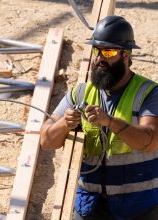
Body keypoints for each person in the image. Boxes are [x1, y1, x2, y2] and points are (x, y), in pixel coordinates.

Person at [40, 15, 158, 220]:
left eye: (109, 51)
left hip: (139, 206)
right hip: (90, 203)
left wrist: (109, 121)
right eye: (97, 50)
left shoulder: (148, 93)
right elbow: (46, 140)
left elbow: (149, 141)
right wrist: (63, 124)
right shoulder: (80, 93)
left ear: (125, 55)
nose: (100, 58)